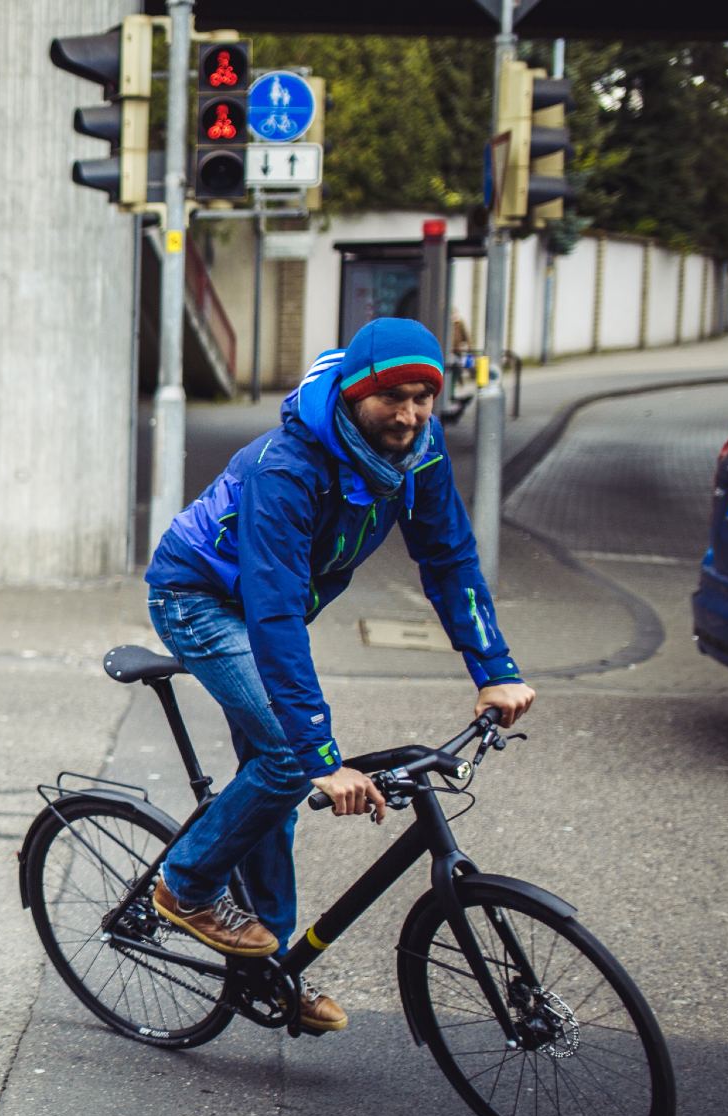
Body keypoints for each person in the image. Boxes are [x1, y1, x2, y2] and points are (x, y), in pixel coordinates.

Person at [142, 317, 535, 1033]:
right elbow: (275, 618)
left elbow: (447, 558)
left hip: (270, 605)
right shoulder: (289, 468)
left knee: (274, 785)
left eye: (423, 397)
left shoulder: (418, 448)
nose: (411, 414)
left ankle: (269, 974)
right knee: (292, 760)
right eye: (394, 398)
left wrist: (494, 668)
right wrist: (322, 757)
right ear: (356, 394)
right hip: (200, 599)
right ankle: (186, 884)